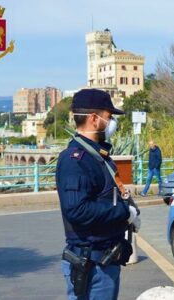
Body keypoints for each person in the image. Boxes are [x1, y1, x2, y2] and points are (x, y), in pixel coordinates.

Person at [56, 89, 140, 300]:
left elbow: (107, 195)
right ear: (94, 119)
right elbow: (77, 210)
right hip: (92, 264)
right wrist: (123, 212)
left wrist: (129, 210)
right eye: (109, 117)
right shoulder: (76, 160)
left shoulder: (98, 156)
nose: (111, 123)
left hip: (105, 259)